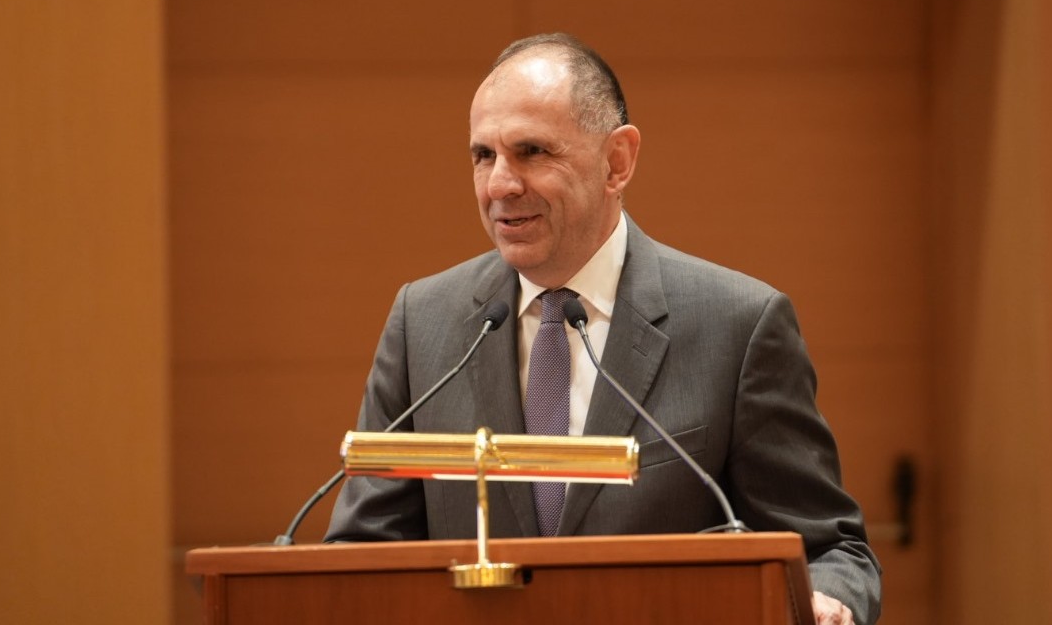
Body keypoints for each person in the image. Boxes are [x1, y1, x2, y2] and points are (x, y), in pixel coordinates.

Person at [326, 33, 881, 625]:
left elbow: (829, 549)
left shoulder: (737, 327)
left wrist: (829, 602)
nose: (499, 186)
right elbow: (363, 552)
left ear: (617, 162)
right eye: (483, 155)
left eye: (532, 151)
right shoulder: (423, 322)